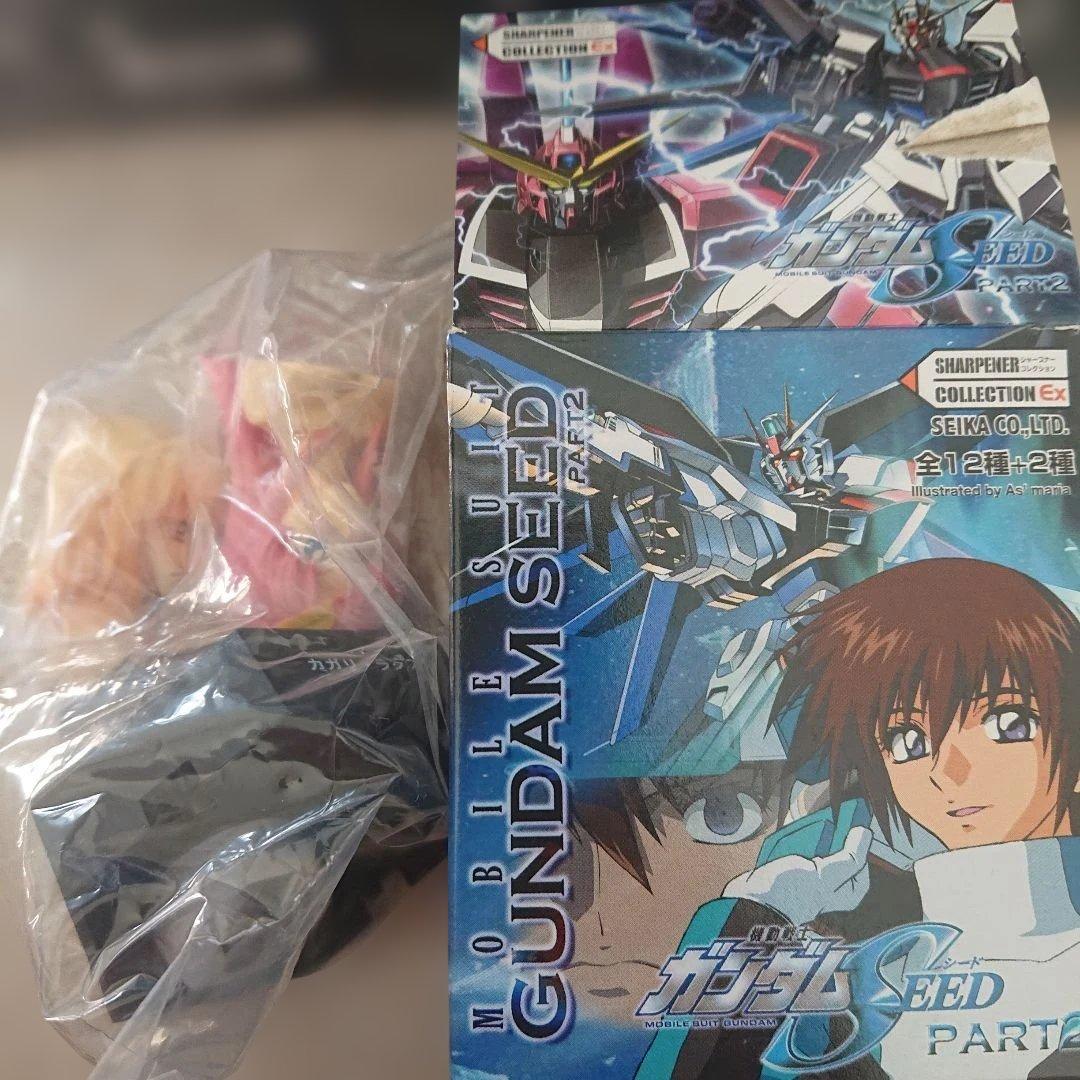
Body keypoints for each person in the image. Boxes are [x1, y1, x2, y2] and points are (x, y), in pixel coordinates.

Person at [639, 559, 1080, 1080]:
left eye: (1007, 723)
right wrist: (758, 918)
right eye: (907, 740)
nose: (947, 772)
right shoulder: (860, 959)